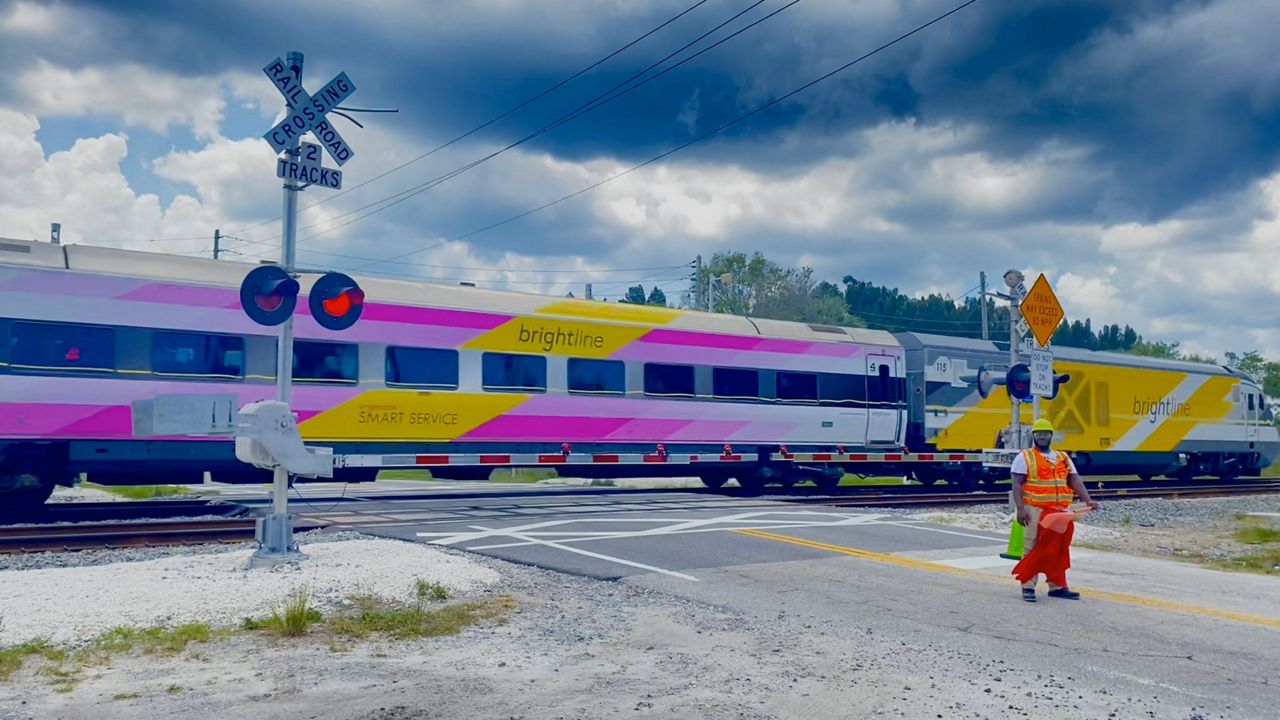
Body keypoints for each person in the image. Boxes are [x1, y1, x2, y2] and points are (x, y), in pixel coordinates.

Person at [1009, 418, 1099, 602]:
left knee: (1058, 548)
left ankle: (1057, 586)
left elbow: (1074, 480)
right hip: (1035, 509)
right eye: (1038, 433)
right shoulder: (1024, 457)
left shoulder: (1063, 457)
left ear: (1051, 435)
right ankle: (1028, 586)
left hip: (1059, 512)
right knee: (1032, 547)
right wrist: (1020, 509)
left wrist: (1088, 500)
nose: (1042, 437)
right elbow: (1017, 484)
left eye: (1045, 433)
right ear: (1033, 436)